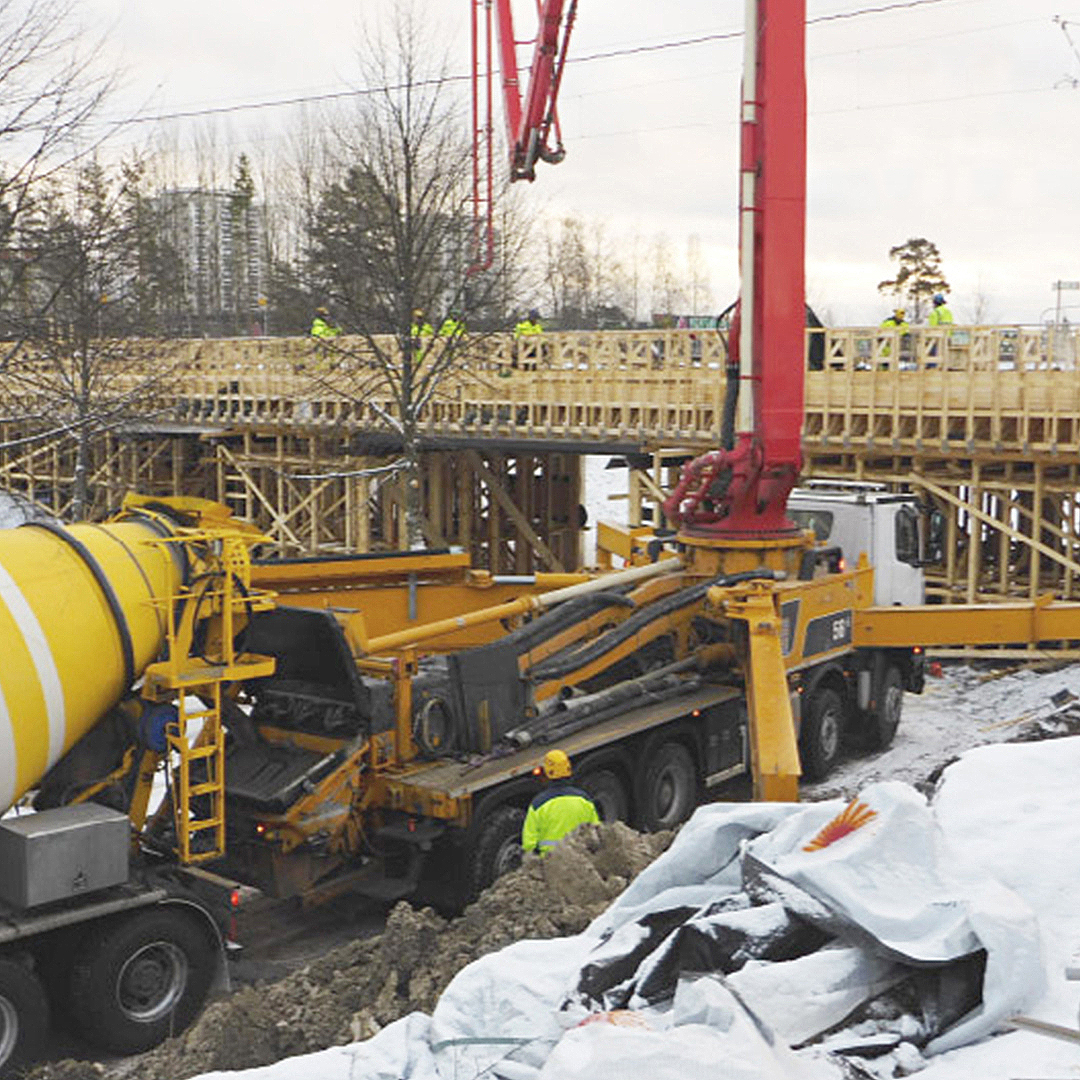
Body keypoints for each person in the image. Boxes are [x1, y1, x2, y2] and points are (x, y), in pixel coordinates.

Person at [521, 749, 599, 856]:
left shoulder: (538, 804)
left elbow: (529, 843)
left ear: (546, 772)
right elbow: (595, 831)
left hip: (551, 863)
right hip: (581, 859)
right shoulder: (584, 799)